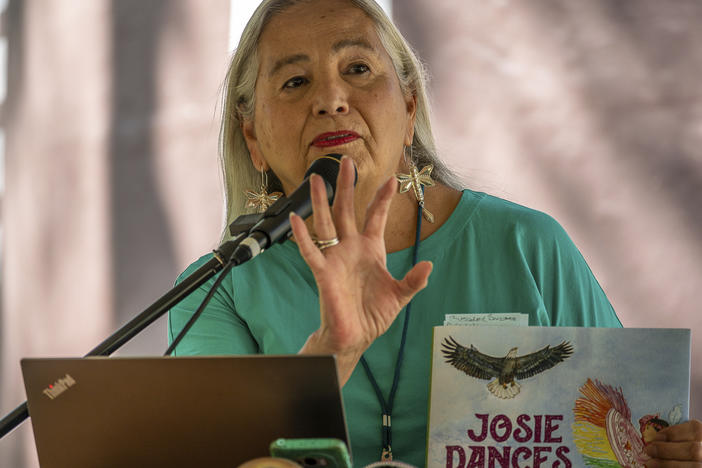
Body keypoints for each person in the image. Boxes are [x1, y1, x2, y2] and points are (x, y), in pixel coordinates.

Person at [168, 0, 702, 466]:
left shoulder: (529, 246)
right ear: (252, 134)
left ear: (408, 105)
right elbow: (215, 459)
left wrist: (672, 456)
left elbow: (622, 439)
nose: (331, 98)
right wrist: (335, 352)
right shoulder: (217, 290)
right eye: (294, 81)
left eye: (357, 68)